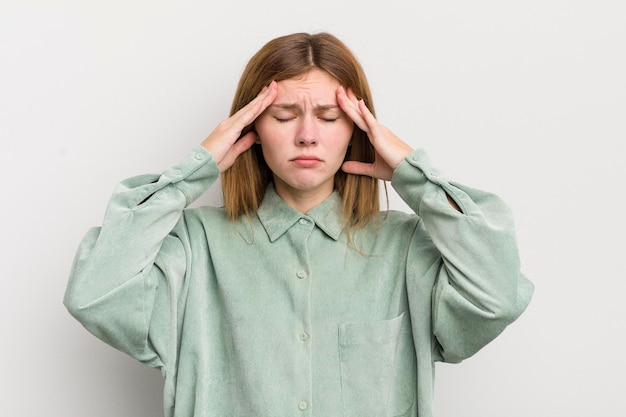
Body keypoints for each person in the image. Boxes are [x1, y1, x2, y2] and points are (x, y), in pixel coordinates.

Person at [64, 32, 534, 417]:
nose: (306, 134)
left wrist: (416, 176)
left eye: (329, 117)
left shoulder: (405, 247)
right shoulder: (194, 246)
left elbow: (499, 295)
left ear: (357, 130)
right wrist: (195, 169)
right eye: (283, 115)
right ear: (251, 129)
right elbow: (94, 293)